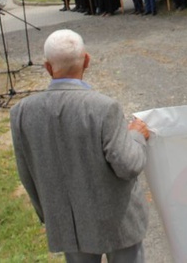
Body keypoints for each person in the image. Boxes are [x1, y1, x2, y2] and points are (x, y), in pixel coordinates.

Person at [10, 29, 150, 263]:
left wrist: (49, 214)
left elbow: (26, 172)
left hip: (67, 222)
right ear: (86, 60)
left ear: (47, 67)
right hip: (118, 220)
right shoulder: (104, 108)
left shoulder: (21, 112)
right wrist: (136, 136)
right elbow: (128, 165)